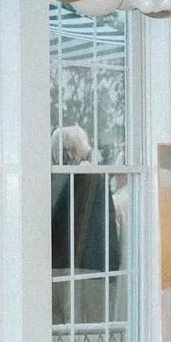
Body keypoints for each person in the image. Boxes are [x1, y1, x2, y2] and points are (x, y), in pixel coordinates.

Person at [51, 126, 120, 324]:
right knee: (88, 331)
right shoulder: (92, 181)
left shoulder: (54, 182)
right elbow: (104, 230)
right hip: (90, 271)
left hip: (63, 268)